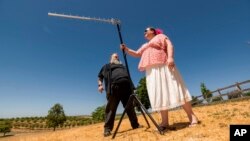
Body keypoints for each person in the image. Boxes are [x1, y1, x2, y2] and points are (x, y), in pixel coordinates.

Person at [120, 27, 199, 131]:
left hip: (164, 65)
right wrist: (126, 49)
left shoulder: (161, 36)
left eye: (146, 30)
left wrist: (170, 57)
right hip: (151, 70)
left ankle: (192, 117)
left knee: (176, 88)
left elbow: (169, 45)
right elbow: (137, 54)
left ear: (152, 31)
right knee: (159, 94)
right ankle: (165, 122)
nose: (144, 32)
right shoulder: (145, 45)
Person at [97, 53, 140, 137]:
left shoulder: (122, 66)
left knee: (130, 107)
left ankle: (135, 125)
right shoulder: (106, 66)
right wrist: (100, 85)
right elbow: (100, 76)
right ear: (111, 58)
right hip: (114, 88)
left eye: (117, 56)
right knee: (111, 109)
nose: (117, 57)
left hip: (127, 88)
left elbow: (129, 77)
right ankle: (107, 129)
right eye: (115, 56)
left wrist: (133, 88)